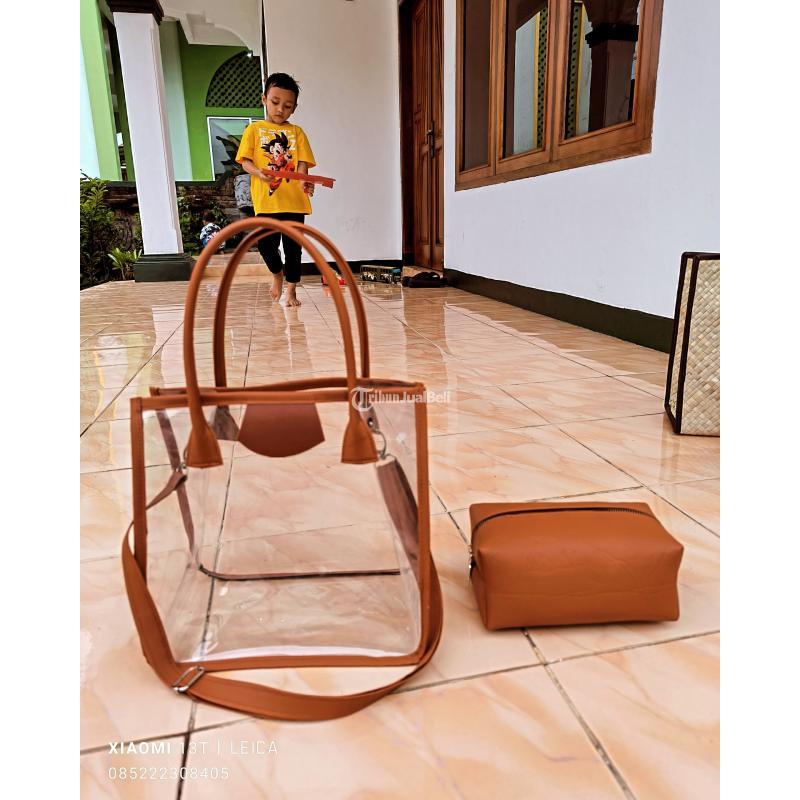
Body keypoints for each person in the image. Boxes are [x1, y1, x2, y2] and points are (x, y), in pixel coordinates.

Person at [235, 72, 315, 307]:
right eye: (275, 102)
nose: (280, 109)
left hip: (294, 202)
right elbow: (245, 161)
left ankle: (291, 290)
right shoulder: (254, 130)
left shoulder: (297, 132)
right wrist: (260, 173)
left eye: (287, 106)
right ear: (264, 99)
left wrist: (303, 181)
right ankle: (277, 274)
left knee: (293, 249)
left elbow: (302, 164)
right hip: (266, 202)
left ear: (294, 108)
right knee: (266, 245)